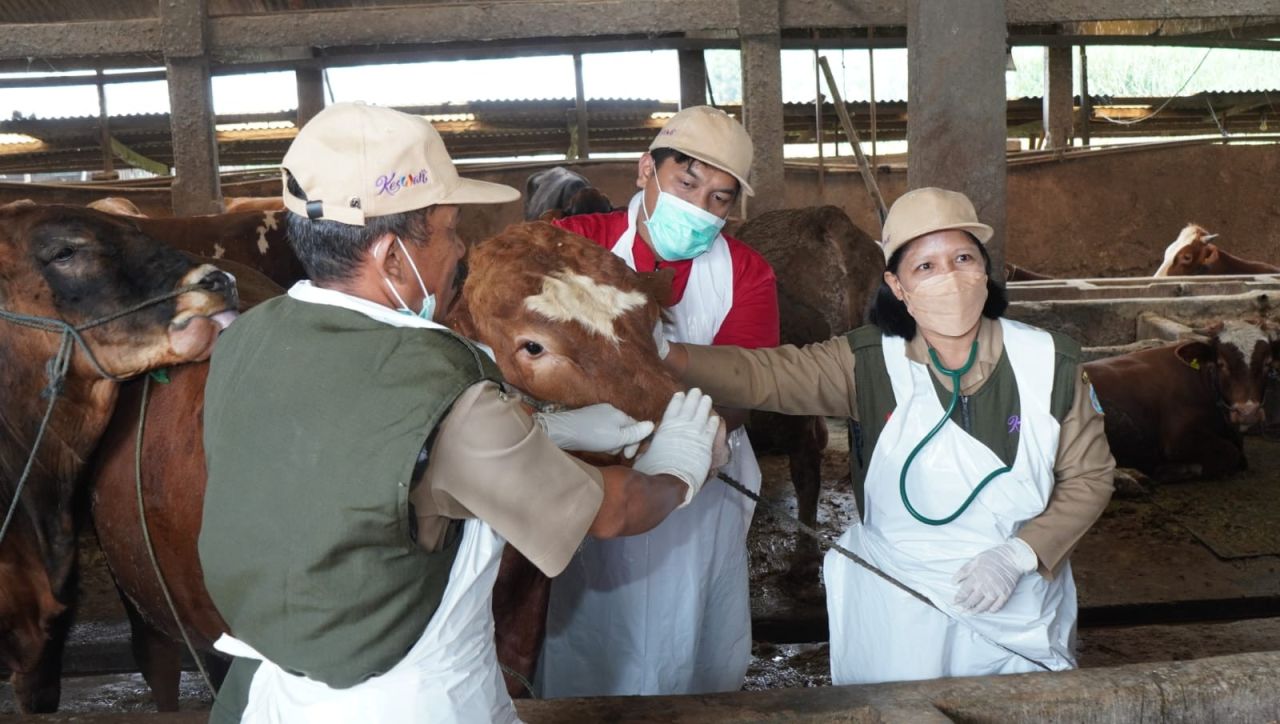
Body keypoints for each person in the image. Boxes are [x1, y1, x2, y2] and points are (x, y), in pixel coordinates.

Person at [197, 102, 724, 723]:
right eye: (449, 229)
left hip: (269, 696)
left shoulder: (245, 339)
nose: (461, 247)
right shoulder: (442, 385)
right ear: (391, 257)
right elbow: (610, 512)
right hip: (411, 702)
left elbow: (352, 451)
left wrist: (539, 429)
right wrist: (679, 469)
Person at [662, 187, 1116, 684]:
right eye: (925, 266)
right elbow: (761, 374)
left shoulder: (1051, 362)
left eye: (963, 257)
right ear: (895, 285)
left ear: (986, 271)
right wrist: (665, 356)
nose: (949, 276)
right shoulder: (864, 363)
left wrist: (1019, 554)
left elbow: (1089, 478)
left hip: (1018, 604)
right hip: (901, 609)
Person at [538, 105, 779, 696]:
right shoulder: (571, 246)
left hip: (702, 485)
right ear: (647, 169)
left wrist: (704, 437)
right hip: (591, 474)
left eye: (720, 198)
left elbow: (741, 392)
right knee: (588, 629)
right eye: (686, 182)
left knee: (689, 634)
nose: (700, 207)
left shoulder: (748, 274)